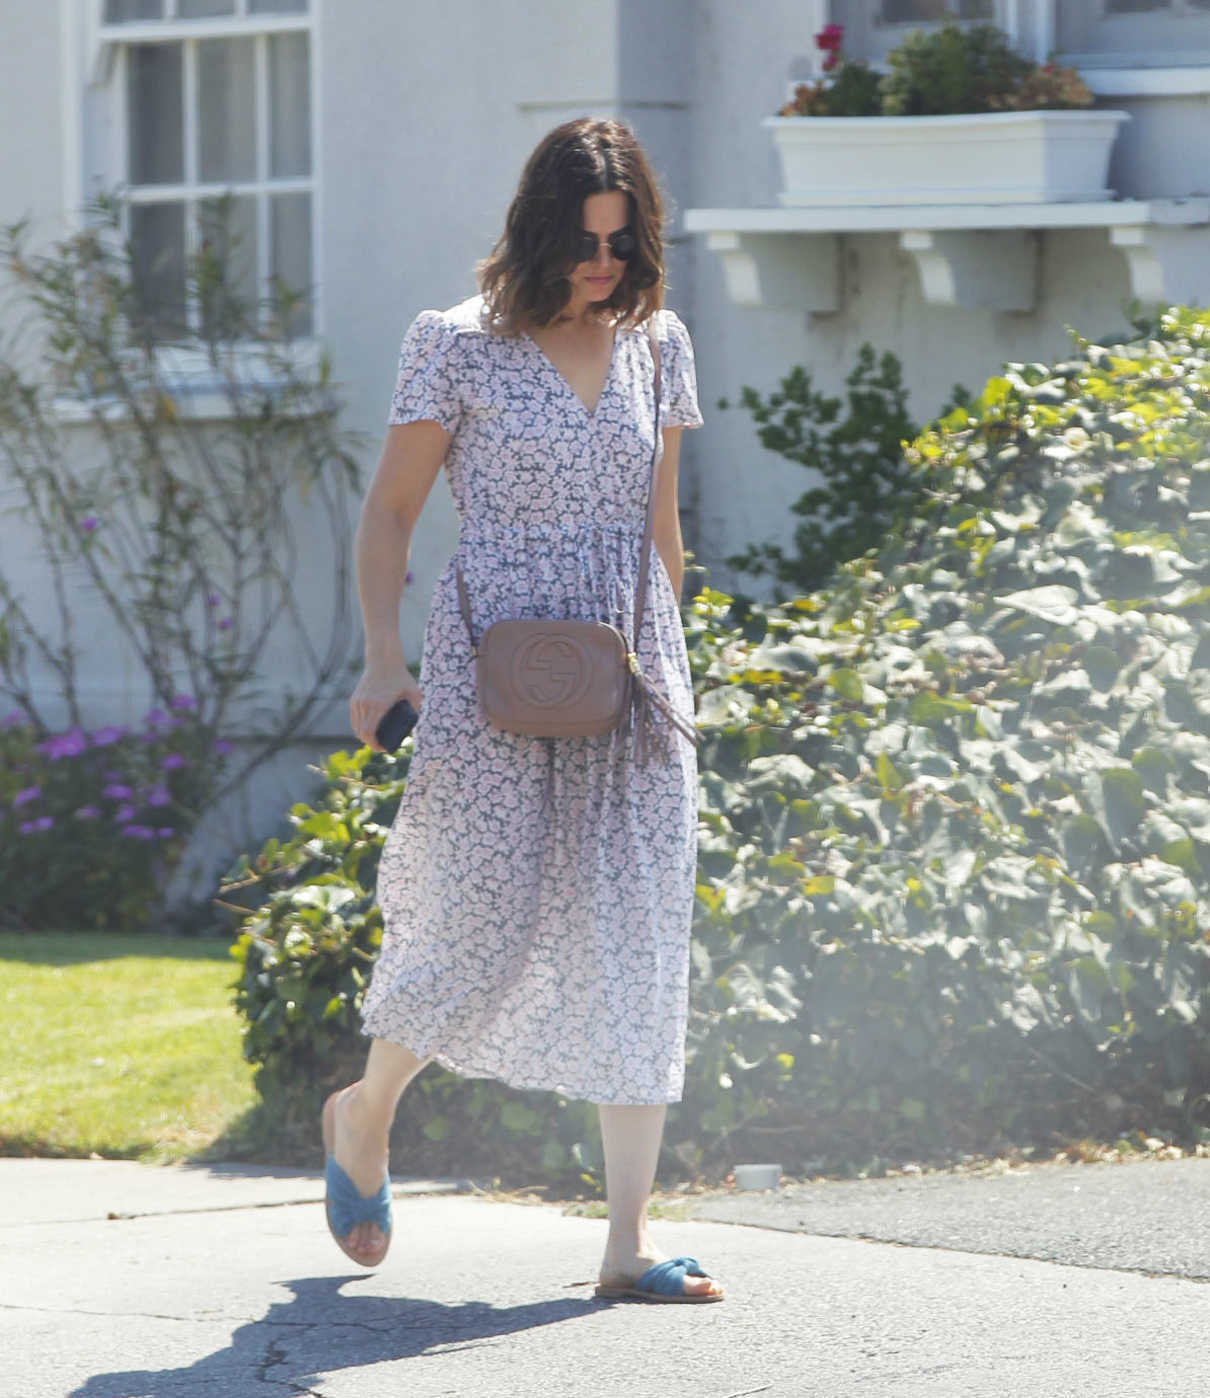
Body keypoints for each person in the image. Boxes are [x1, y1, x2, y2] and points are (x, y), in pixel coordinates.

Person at [329, 116, 723, 1304]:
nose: (601, 263)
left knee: (639, 934)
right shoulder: (454, 343)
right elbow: (392, 514)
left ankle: (625, 1246)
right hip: (493, 665)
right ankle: (365, 1112)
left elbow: (660, 530)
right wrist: (381, 663)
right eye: (582, 240)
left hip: (632, 671)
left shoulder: (658, 340)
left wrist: (678, 663)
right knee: (476, 915)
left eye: (621, 240)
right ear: (539, 230)